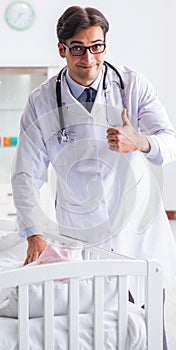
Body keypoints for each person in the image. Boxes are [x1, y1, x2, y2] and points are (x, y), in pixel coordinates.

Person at [11, 6, 176, 348]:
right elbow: (26, 174)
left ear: (104, 44)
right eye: (78, 48)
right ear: (62, 49)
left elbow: (169, 143)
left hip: (140, 227)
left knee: (157, 321)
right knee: (98, 324)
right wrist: (34, 234)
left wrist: (140, 141)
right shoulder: (41, 102)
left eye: (96, 46)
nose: (89, 57)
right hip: (82, 227)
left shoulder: (131, 85)